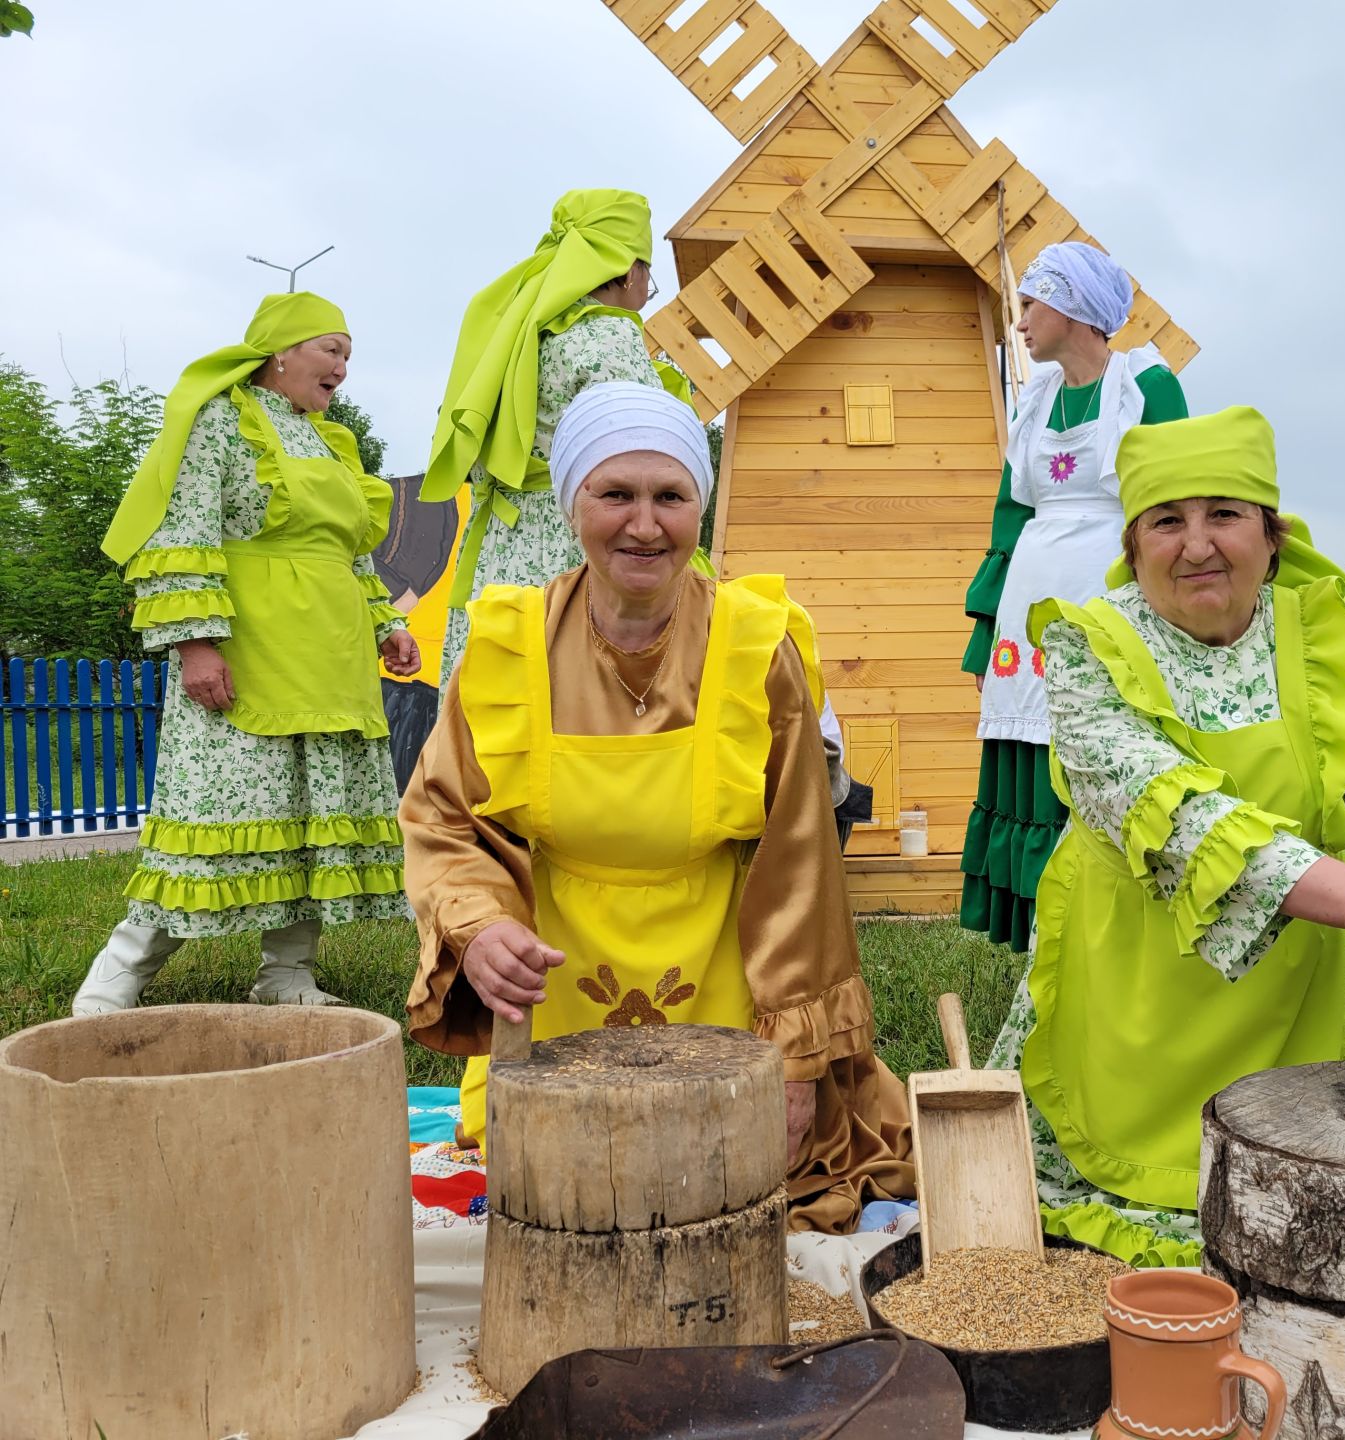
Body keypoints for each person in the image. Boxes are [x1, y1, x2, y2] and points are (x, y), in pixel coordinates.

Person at [987, 407, 1345, 1265]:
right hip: (1133, 999)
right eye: (1167, 521)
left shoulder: (1327, 636)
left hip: (1306, 998)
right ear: (1134, 549)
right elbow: (1184, 823)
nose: (1198, 544)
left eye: (1225, 514)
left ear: (1272, 534)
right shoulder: (1088, 646)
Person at [400, 382, 914, 1230]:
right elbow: (444, 817)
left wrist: (791, 1068)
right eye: (617, 495)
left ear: (699, 512)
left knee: (745, 1172)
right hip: (558, 981)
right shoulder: (505, 648)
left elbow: (800, 863)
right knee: (567, 1182)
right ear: (575, 506)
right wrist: (479, 927)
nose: (645, 525)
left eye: (671, 496)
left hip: (724, 968)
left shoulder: (755, 647)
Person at [73, 293, 417, 1015]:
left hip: (329, 652)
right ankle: (122, 969)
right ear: (280, 351)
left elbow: (349, 555)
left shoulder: (332, 443)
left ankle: (286, 974)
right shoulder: (221, 423)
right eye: (332, 350)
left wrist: (386, 624)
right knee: (214, 813)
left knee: (310, 816)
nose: (343, 368)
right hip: (247, 647)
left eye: (349, 355)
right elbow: (183, 527)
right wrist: (196, 643)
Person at [959, 242, 1188, 951]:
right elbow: (1011, 515)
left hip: (1111, 598)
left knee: (1104, 748)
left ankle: (1111, 927)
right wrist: (990, 626)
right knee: (1034, 746)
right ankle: (1044, 938)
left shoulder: (1144, 385)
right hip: (1031, 604)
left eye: (1031, 304)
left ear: (1074, 306)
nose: (1020, 320)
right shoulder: (1035, 401)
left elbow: (1176, 502)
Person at [424, 188, 685, 689]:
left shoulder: (518, 334)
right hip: (584, 538)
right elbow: (646, 449)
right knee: (591, 698)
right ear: (631, 270)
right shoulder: (608, 335)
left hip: (503, 549)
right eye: (648, 276)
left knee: (505, 698)